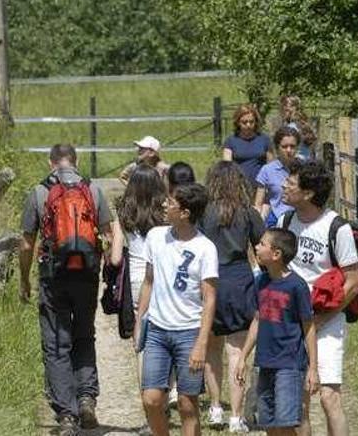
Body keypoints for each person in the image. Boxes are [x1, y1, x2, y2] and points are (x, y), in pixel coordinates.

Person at [20, 143, 122, 436]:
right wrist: (108, 268)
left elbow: (27, 242)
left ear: (51, 162)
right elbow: (107, 231)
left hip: (54, 277)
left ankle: (67, 414)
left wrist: (24, 279)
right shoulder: (93, 190)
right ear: (75, 161)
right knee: (84, 335)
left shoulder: (40, 192)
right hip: (86, 275)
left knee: (56, 343)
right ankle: (87, 399)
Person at [279, 161, 358, 436]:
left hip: (326, 321)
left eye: (290, 184)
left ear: (309, 193)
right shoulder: (285, 222)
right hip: (291, 320)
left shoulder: (337, 228)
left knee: (328, 396)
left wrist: (320, 320)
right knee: (298, 399)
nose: (283, 187)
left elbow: (352, 284)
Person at [134, 183, 218, 436]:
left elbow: (209, 298)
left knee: (187, 404)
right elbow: (149, 281)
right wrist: (140, 320)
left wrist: (201, 344)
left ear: (185, 213)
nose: (164, 206)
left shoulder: (205, 248)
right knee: (151, 399)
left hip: (189, 332)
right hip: (158, 330)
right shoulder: (156, 237)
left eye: (170, 203)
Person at [201, 161, 266, 433]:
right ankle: (236, 416)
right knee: (238, 351)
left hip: (211, 278)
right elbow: (263, 246)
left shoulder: (204, 213)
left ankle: (216, 407)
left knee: (211, 348)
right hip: (240, 279)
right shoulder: (248, 213)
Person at [235, 228, 317, 436]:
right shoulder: (261, 282)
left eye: (262, 244)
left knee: (286, 422)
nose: (256, 247)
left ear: (276, 254)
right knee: (269, 424)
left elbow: (308, 327)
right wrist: (243, 356)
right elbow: (257, 319)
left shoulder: (296, 286)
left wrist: (313, 368)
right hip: (265, 363)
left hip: (289, 364)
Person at [114, 164, 167, 435]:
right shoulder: (166, 213)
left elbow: (114, 258)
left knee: (143, 343)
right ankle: (168, 393)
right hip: (164, 279)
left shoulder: (124, 214)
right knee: (169, 333)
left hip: (137, 281)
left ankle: (150, 412)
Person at [255, 127, 300, 227]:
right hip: (275, 220)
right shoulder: (267, 170)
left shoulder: (304, 168)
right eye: (284, 146)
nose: (289, 150)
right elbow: (259, 203)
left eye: (292, 146)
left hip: (299, 219)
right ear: (277, 148)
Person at [222, 104, 270, 184]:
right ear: (238, 123)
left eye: (251, 122)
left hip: (260, 186)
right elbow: (227, 168)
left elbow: (271, 166)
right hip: (238, 186)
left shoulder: (264, 140)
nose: (248, 125)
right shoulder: (230, 141)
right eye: (244, 122)